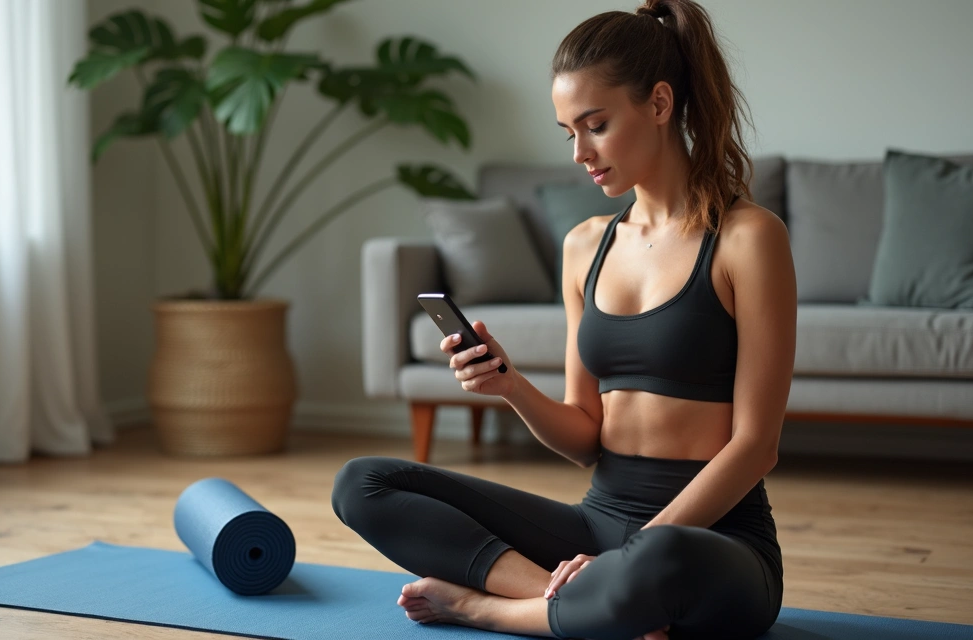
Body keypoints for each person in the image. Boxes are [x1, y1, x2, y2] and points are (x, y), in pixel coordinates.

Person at [331, 0, 796, 637]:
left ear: (660, 104)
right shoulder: (585, 246)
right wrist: (510, 386)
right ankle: (583, 603)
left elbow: (756, 446)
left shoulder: (748, 238)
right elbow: (584, 437)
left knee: (657, 559)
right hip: (597, 525)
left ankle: (492, 609)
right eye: (567, 132)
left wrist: (627, 558)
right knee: (364, 483)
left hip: (707, 543)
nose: (579, 152)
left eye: (595, 125)